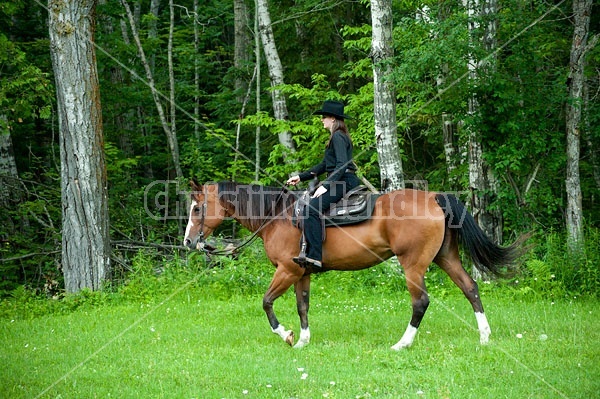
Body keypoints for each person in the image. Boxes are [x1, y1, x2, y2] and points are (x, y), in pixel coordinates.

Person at [286, 100, 361, 268]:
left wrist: (326, 185)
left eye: (324, 117)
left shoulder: (338, 137)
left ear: (333, 118)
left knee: (311, 209)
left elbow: (341, 164)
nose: (322, 120)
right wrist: (301, 176)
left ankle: (314, 256)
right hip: (340, 179)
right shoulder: (337, 136)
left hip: (343, 181)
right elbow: (324, 165)